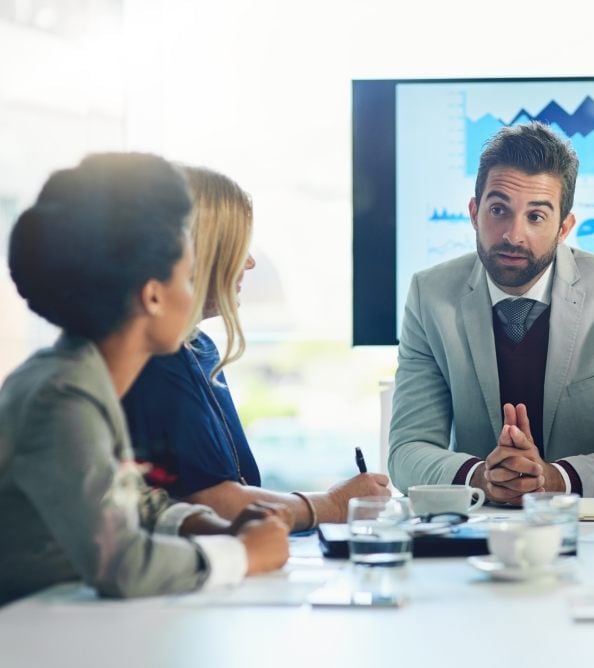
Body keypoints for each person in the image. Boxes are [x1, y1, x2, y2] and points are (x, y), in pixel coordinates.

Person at [0, 153, 290, 605]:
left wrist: (219, 525)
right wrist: (240, 554)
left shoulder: (82, 380)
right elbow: (124, 565)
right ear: (153, 297)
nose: (193, 298)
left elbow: (133, 503)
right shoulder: (63, 399)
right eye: (188, 281)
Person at [388, 122, 594, 502]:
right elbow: (407, 450)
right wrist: (481, 477)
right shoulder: (430, 294)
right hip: (478, 526)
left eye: (536, 217)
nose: (512, 235)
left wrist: (552, 479)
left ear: (564, 227)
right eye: (499, 210)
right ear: (474, 212)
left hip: (590, 525)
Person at [122, 166, 388, 532]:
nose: (248, 262)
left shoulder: (198, 348)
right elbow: (216, 503)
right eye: (237, 247)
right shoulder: (157, 361)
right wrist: (332, 504)